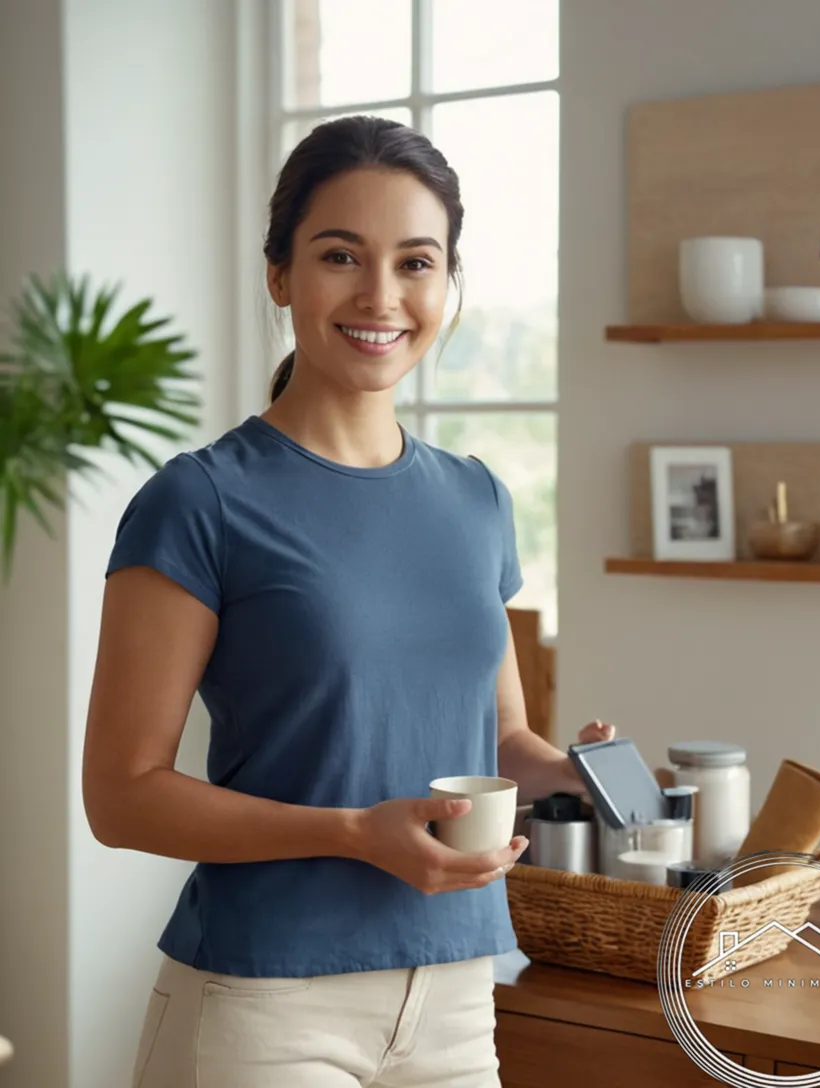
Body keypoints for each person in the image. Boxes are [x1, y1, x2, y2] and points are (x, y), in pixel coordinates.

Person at [82, 115, 616, 1088]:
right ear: (280, 275)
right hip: (264, 1005)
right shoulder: (201, 500)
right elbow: (119, 796)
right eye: (341, 256)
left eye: (416, 262)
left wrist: (585, 775)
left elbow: (499, 738)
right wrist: (349, 831)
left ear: (447, 284)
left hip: (457, 994)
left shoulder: (477, 499)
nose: (380, 295)